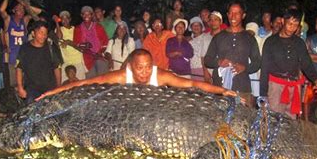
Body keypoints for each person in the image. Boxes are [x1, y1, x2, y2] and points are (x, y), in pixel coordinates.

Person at [36, 49, 237, 101]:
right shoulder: (122, 76)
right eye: (139, 68)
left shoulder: (161, 76)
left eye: (148, 67)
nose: (144, 73)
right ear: (131, 67)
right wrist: (53, 92)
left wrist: (222, 90)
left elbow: (193, 84)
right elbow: (87, 82)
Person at [260, 8, 317, 119]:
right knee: (274, 120)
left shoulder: (299, 43)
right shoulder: (270, 42)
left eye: (295, 25)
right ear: (282, 21)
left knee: (291, 122)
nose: (292, 28)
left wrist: (316, 79)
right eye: (290, 23)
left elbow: (306, 63)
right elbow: (265, 68)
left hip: (294, 87)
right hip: (275, 87)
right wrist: (263, 94)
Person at [204, 1, 261, 106]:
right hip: (220, 88)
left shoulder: (249, 38)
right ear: (227, 14)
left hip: (242, 87)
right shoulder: (219, 37)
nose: (233, 16)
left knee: (242, 121)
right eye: (230, 12)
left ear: (243, 15)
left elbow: (257, 62)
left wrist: (245, 68)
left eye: (237, 13)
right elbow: (207, 60)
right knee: (219, 120)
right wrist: (219, 62)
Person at [0, 0, 42, 87]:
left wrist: (24, 4)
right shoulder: (8, 20)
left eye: (23, 9)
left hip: (24, 55)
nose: (21, 11)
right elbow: (2, 10)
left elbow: (38, 11)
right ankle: (17, 100)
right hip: (12, 56)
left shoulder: (25, 20)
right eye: (18, 9)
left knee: (26, 81)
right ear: (14, 10)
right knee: (15, 83)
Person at [16, 21, 61, 104]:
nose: (43, 36)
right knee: (32, 111)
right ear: (33, 33)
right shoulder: (25, 48)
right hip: (32, 89)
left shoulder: (51, 48)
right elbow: (19, 68)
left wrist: (58, 87)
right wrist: (20, 87)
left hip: (50, 88)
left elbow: (57, 67)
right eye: (41, 32)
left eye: (45, 33)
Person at [73, 6, 109, 78]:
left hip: (99, 57)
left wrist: (99, 52)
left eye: (88, 14)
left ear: (92, 15)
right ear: (81, 15)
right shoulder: (78, 28)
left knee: (103, 80)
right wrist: (84, 45)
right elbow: (76, 43)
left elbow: (105, 42)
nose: (86, 16)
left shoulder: (98, 27)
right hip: (87, 59)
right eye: (84, 14)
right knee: (91, 83)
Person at [54, 10, 86, 81]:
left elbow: (80, 45)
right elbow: (59, 37)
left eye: (66, 18)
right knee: (64, 85)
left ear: (70, 19)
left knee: (80, 84)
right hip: (67, 62)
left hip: (78, 61)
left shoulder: (76, 29)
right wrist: (56, 22)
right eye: (62, 19)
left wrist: (69, 42)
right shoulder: (59, 29)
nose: (64, 20)